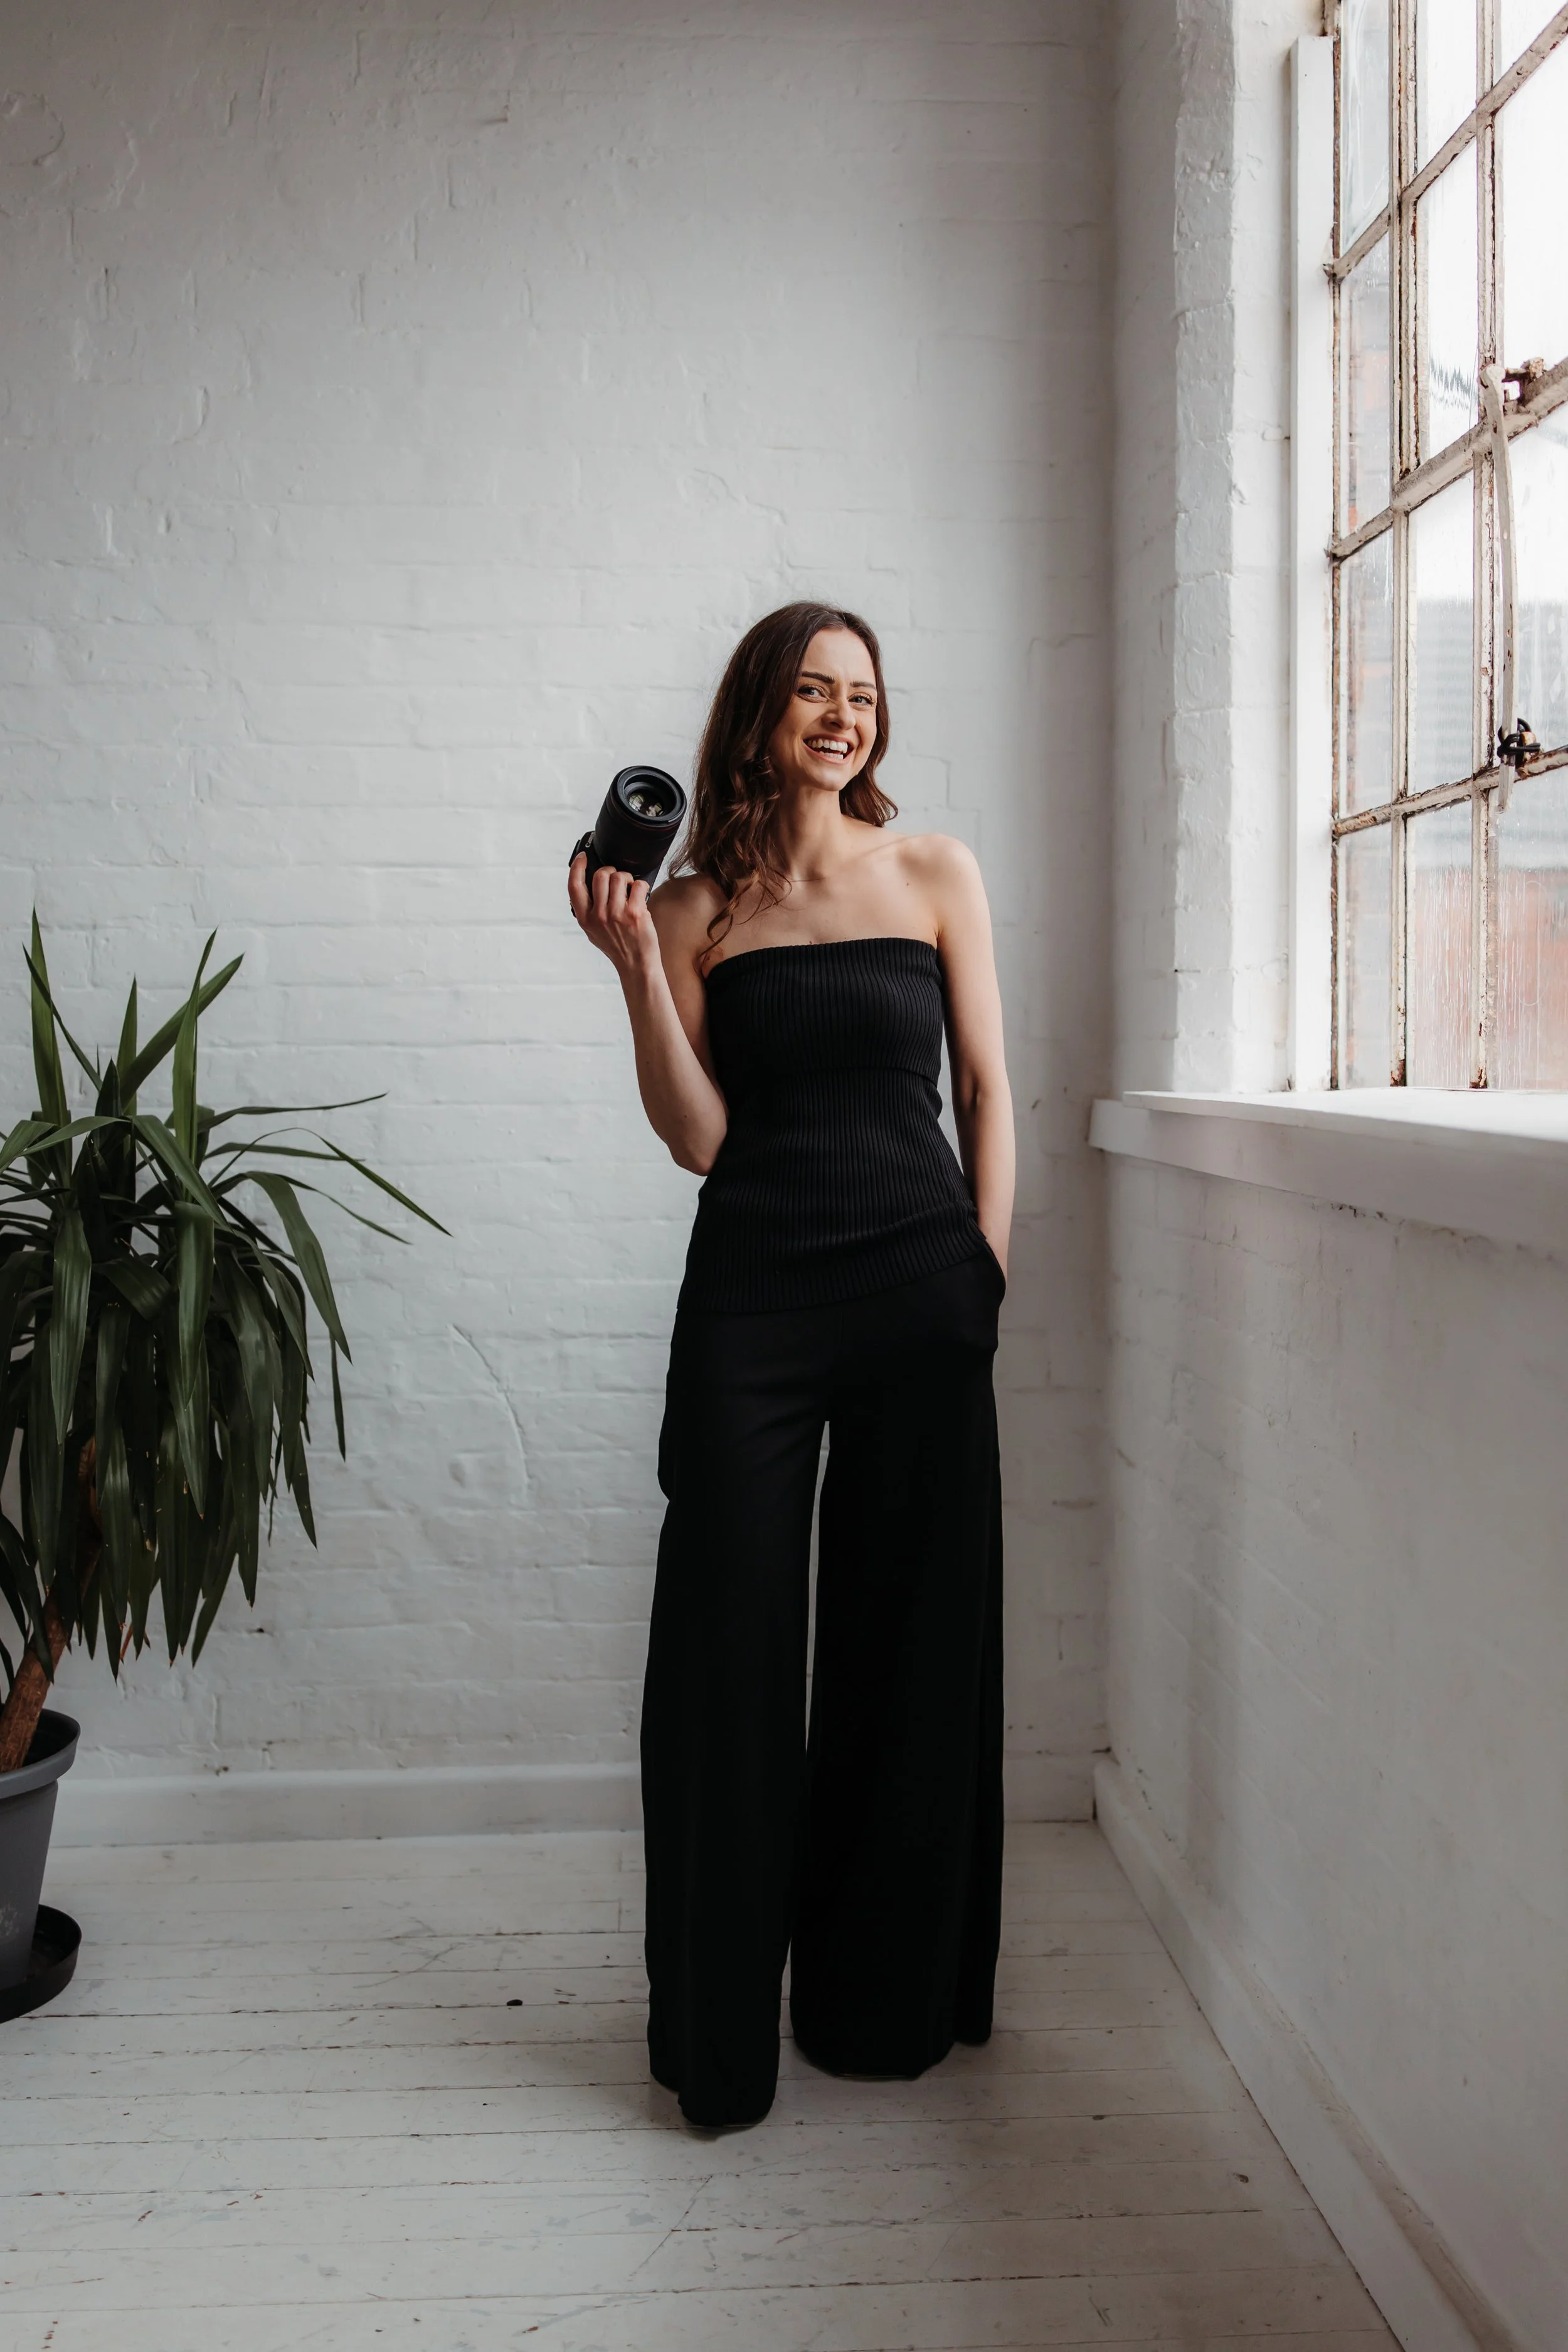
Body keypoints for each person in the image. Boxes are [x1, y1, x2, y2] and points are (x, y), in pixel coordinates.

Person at [568, 601, 1014, 2129]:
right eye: (813, 691)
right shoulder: (693, 908)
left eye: (862, 695)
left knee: (907, 1649)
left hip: (920, 1293)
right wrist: (635, 966)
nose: (842, 716)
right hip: (753, 1305)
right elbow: (699, 1138)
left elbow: (984, 1086)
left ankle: (880, 2011)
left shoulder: (934, 871)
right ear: (759, 712)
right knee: (726, 1653)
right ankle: (716, 2044)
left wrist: (984, 1269)